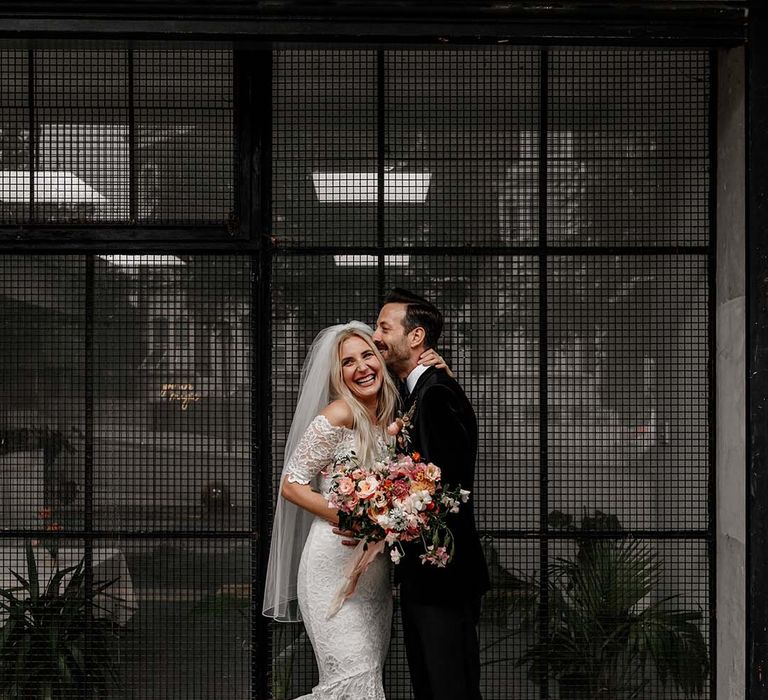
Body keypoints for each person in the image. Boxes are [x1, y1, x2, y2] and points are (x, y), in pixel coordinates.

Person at [262, 321, 448, 699]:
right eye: (348, 362)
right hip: (331, 567)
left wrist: (441, 374)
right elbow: (291, 484)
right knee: (354, 680)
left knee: (365, 682)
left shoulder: (393, 419)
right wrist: (353, 518)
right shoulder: (338, 415)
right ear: (338, 374)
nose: (362, 367)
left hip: (374, 577)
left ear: (381, 360)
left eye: (367, 355)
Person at [373, 289, 491, 700]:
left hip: (444, 576)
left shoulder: (437, 394)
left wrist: (378, 514)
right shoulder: (420, 393)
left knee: (448, 688)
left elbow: (444, 490)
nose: (376, 336)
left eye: (385, 328)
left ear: (417, 336)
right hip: (426, 576)